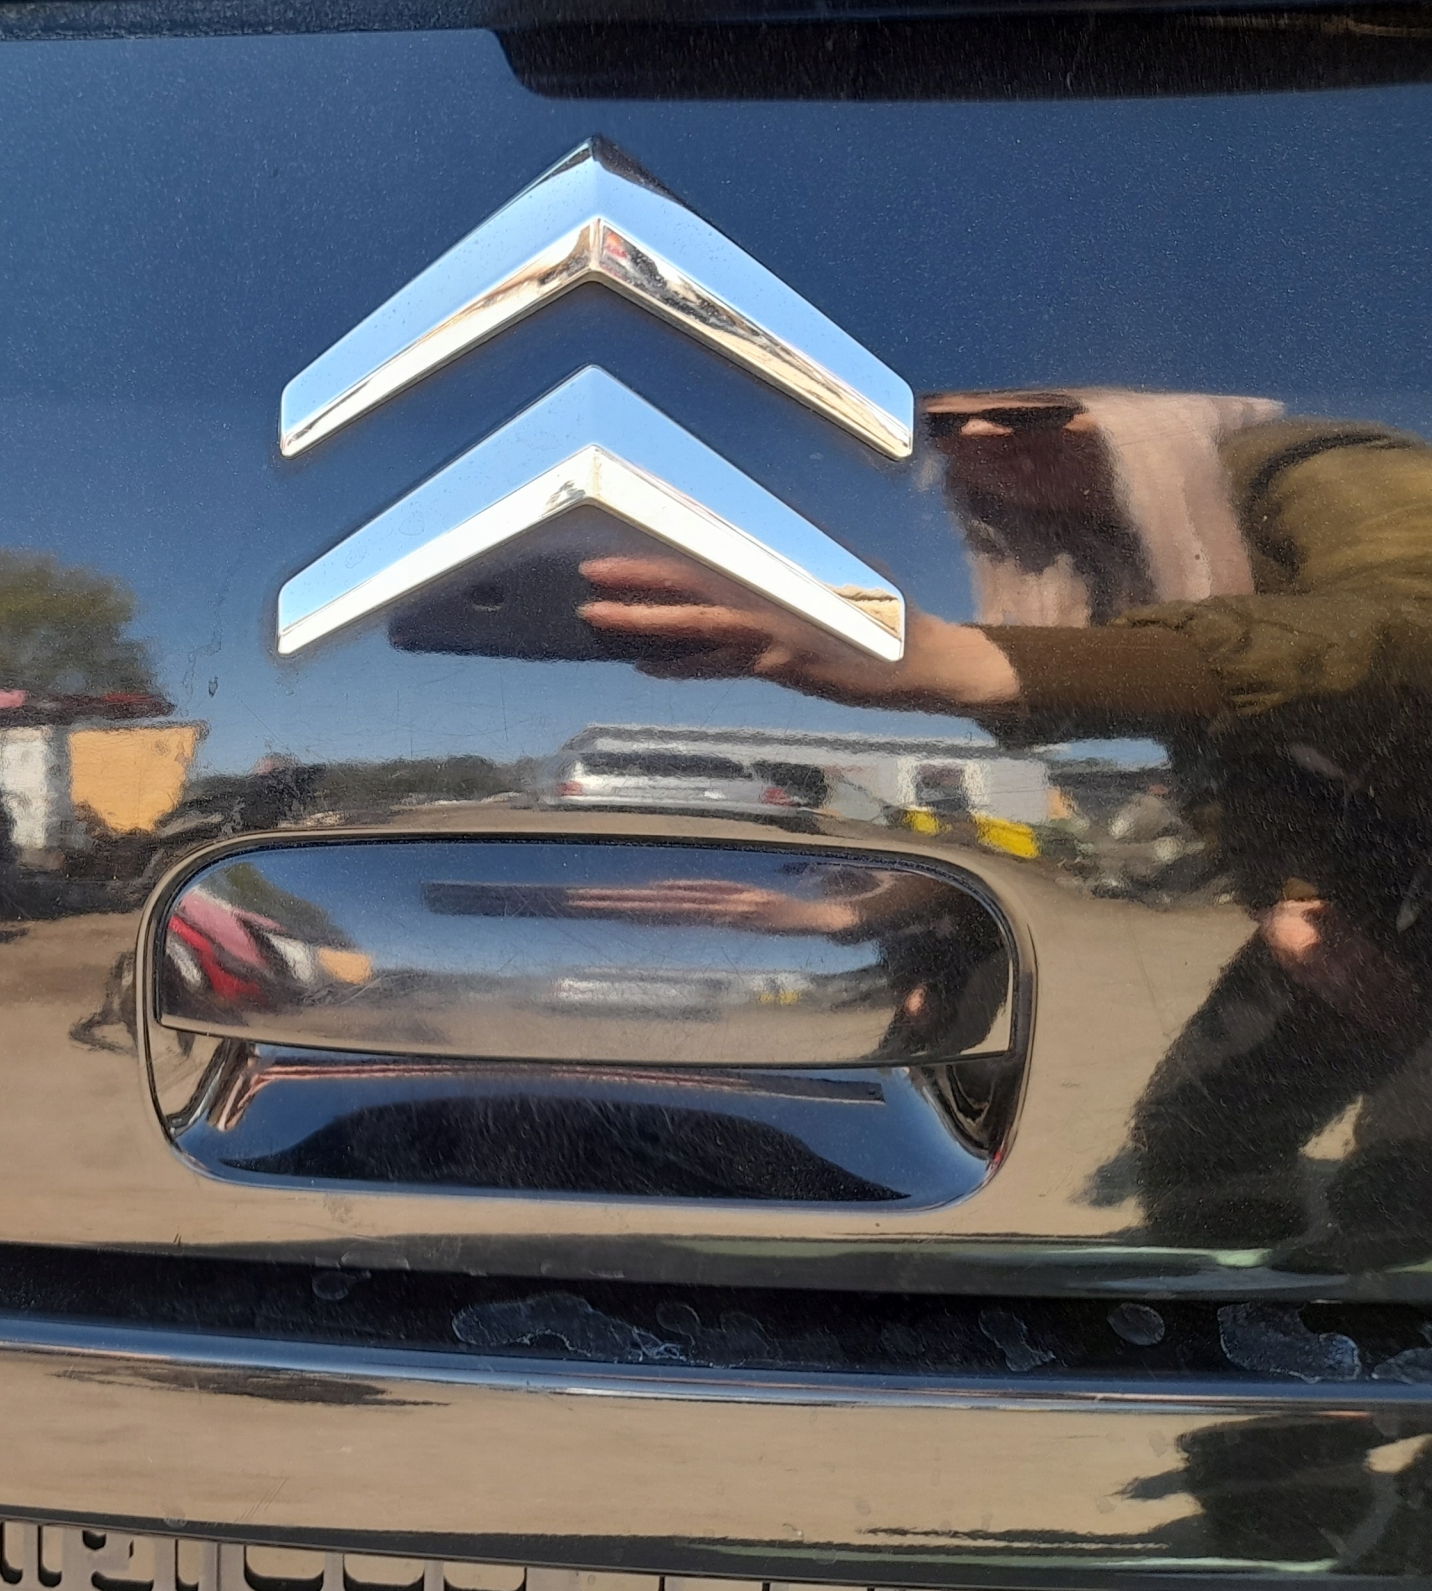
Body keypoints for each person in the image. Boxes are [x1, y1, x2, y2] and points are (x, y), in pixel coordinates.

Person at [577, 388, 1432, 1256]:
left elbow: (1412, 618)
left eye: (1033, 410)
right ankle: (1252, 1314)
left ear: (1134, 412)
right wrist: (1288, 893)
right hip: (1373, 873)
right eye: (946, 424)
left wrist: (954, 660)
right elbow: (1231, 765)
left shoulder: (1303, 462)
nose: (981, 433)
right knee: (1198, 1139)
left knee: (1400, 1183)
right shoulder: (1135, 566)